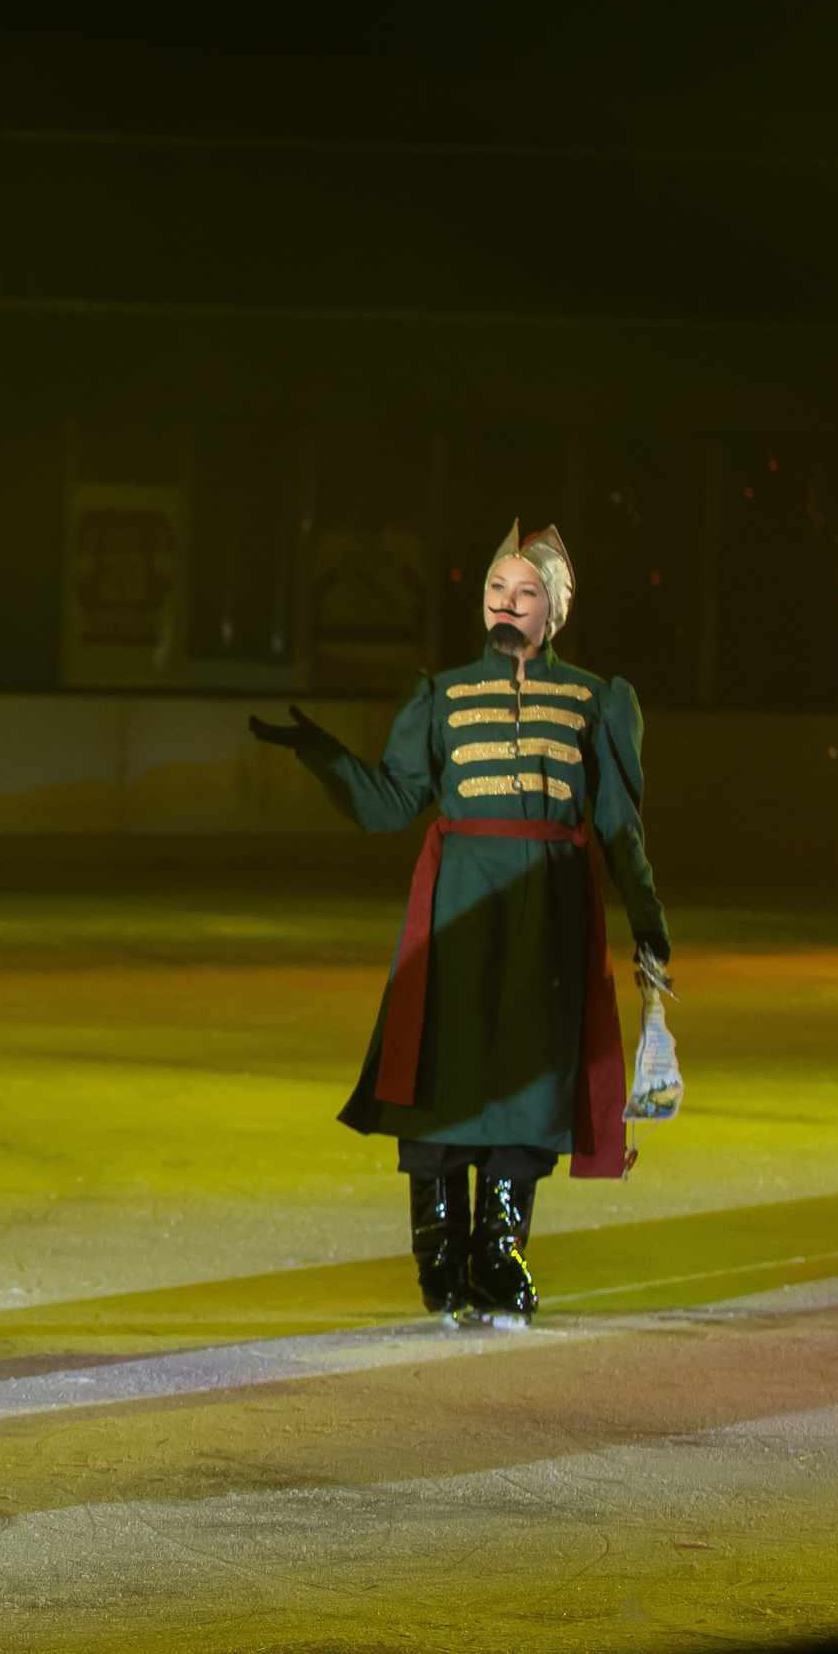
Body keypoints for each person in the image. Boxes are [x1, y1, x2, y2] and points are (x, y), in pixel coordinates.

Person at [250, 523, 667, 1325]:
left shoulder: (592, 699)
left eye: (526, 592)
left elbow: (618, 826)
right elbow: (391, 803)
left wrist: (647, 921)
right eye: (495, 591)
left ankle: (498, 1250)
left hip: (547, 912)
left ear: (556, 608)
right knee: (440, 1076)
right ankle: (438, 1251)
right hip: (457, 906)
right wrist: (323, 753)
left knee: (525, 1079)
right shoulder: (439, 694)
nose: (506, 605)